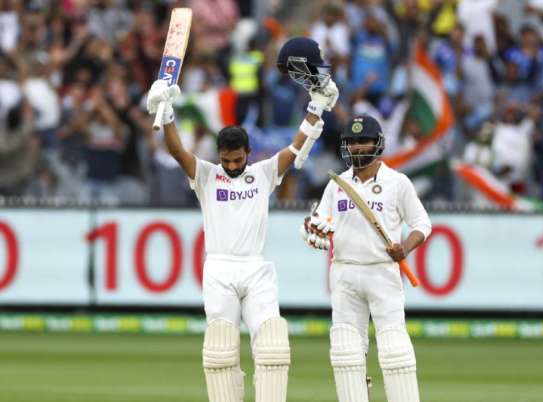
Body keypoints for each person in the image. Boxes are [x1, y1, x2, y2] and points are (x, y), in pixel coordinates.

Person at [146, 38, 339, 402]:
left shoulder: (263, 173)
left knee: (273, 347)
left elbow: (298, 148)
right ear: (219, 155)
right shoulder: (205, 174)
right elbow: (175, 149)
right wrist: (166, 110)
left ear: (248, 153)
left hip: (255, 268)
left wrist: (317, 106)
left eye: (237, 160)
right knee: (220, 352)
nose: (232, 167)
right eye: (227, 160)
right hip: (218, 270)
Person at [301, 115, 431, 402]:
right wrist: (313, 231)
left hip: (382, 272)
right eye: (352, 142)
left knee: (394, 350)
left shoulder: (397, 182)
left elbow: (423, 224)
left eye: (364, 141)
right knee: (347, 353)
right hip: (345, 272)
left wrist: (405, 248)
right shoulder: (336, 184)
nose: (358, 148)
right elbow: (319, 224)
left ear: (378, 144)